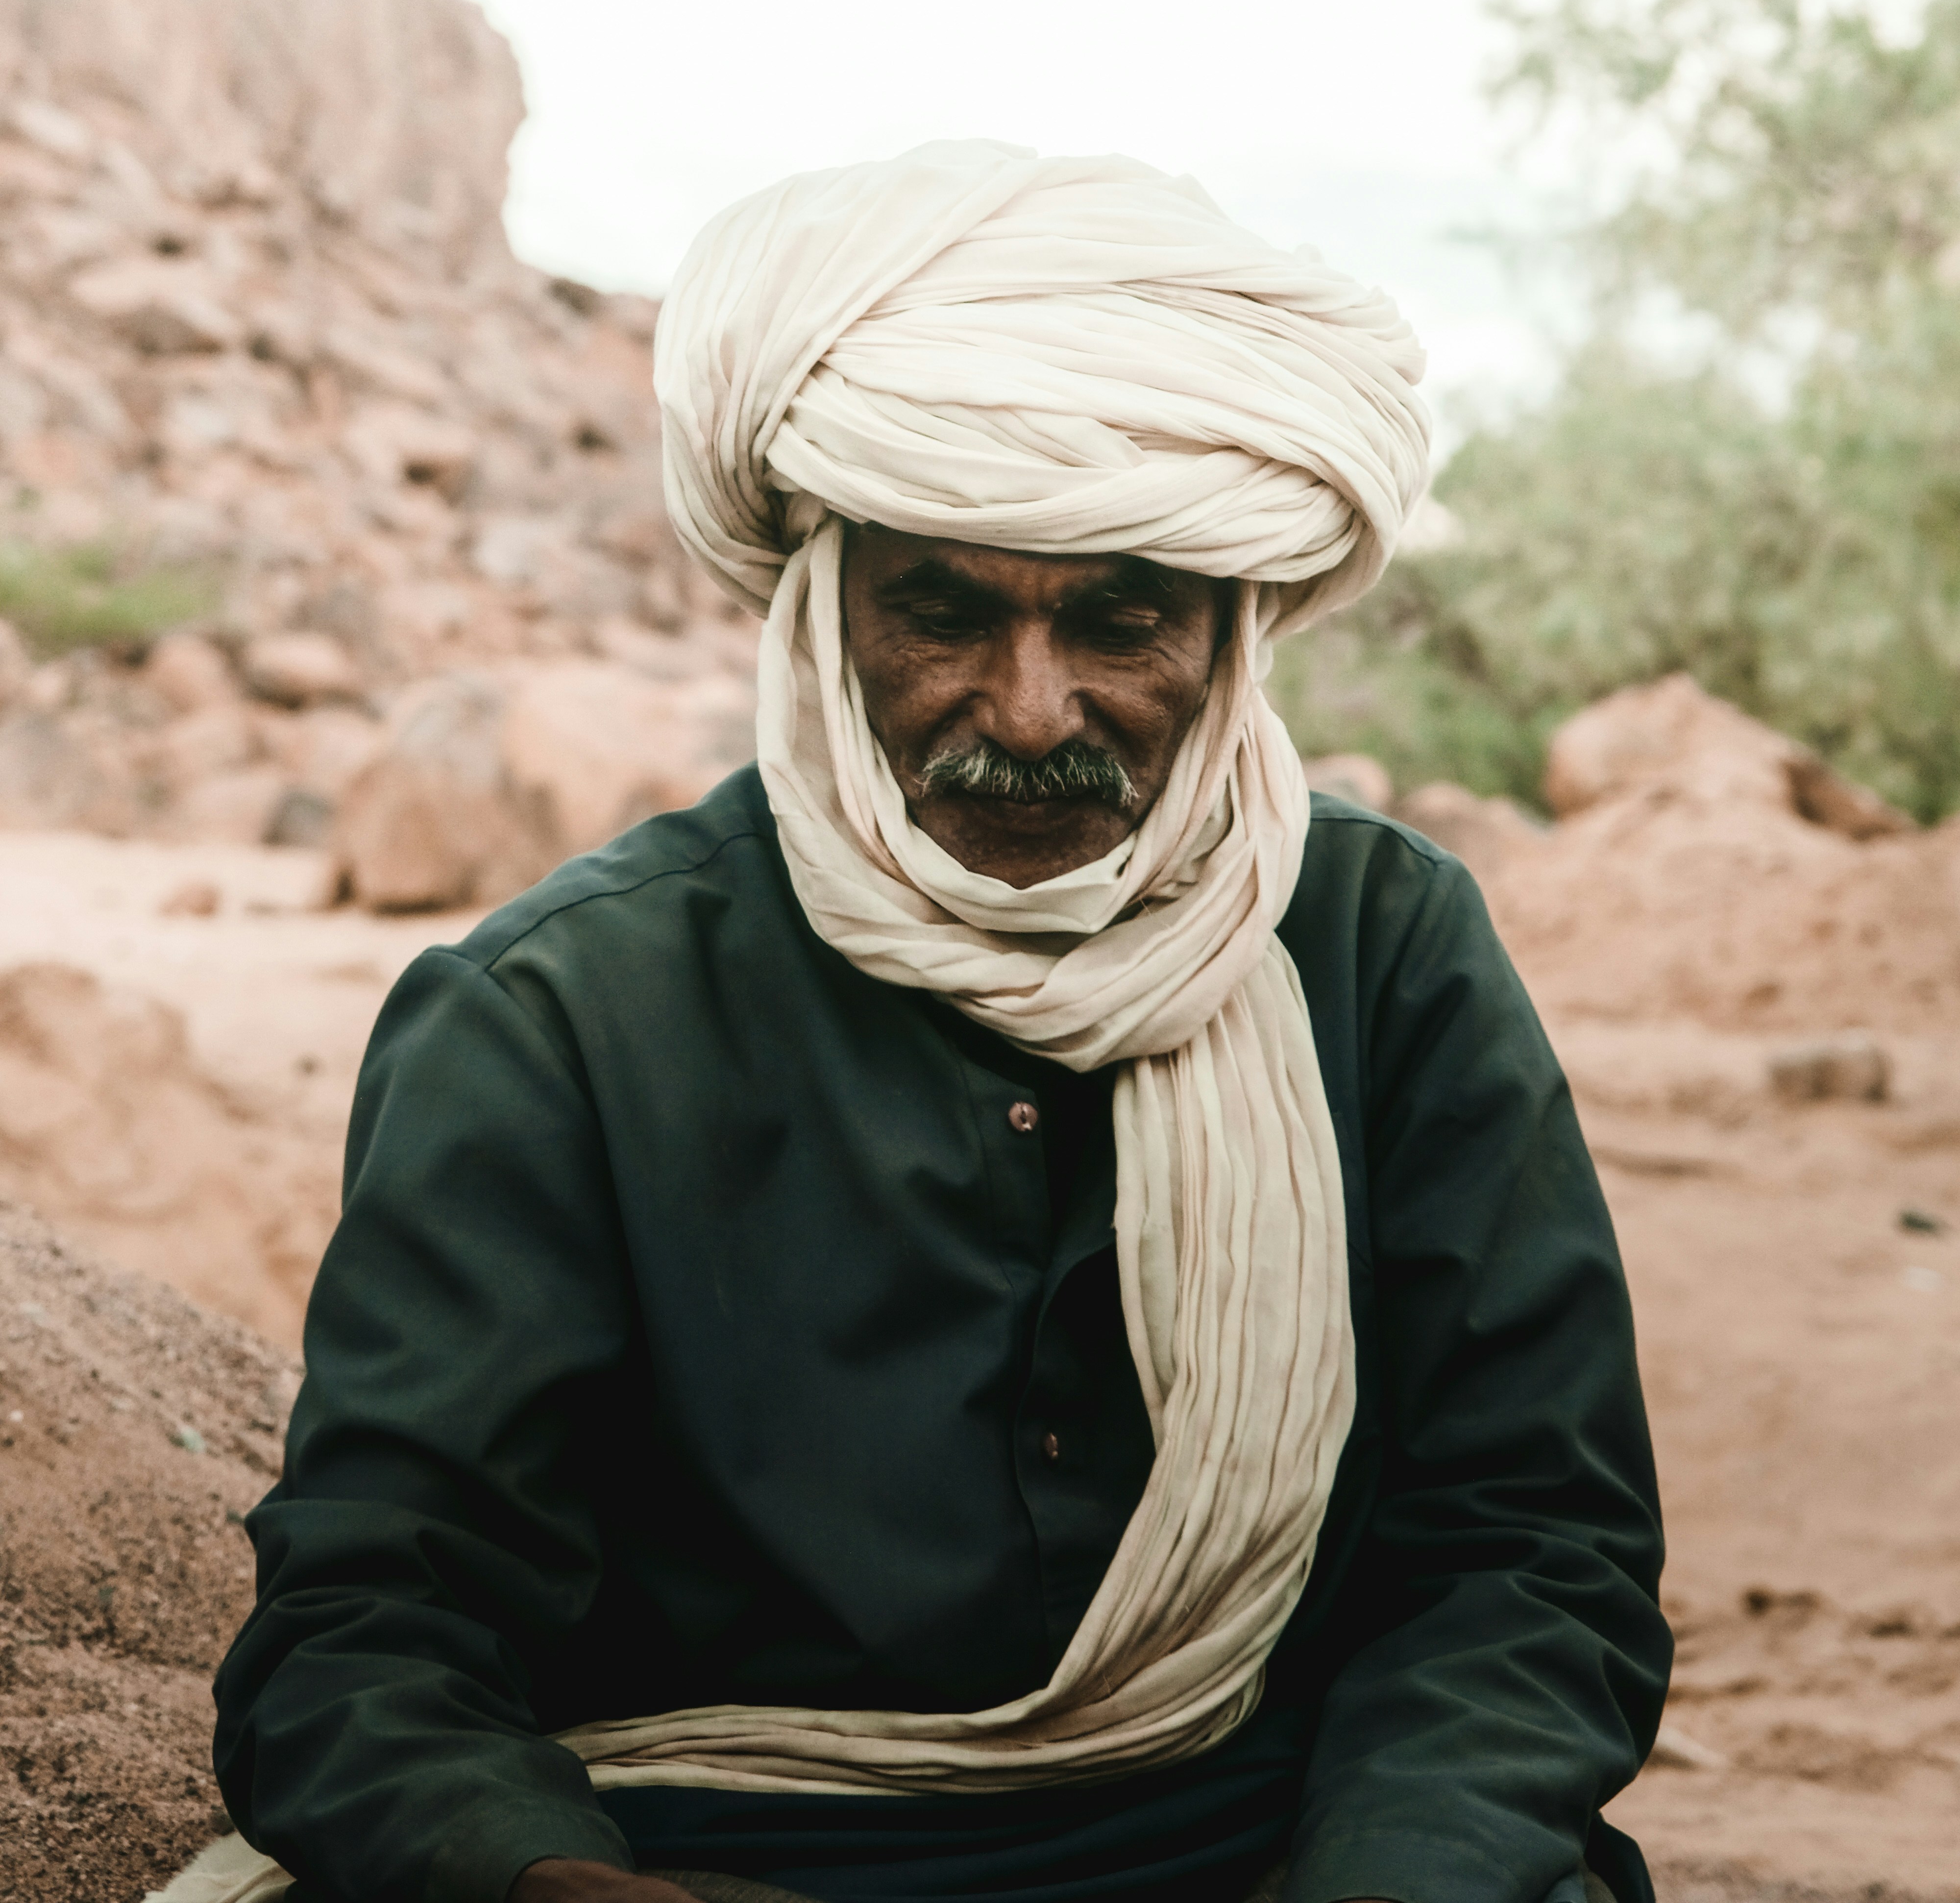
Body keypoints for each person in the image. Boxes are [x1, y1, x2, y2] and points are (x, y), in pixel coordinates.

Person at [181, 144, 1668, 1903]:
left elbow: (1531, 1558)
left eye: (1121, 616)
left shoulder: (1380, 949)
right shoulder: (560, 1015)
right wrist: (555, 1885)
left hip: (1278, 1842)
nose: (1033, 714)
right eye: (944, 612)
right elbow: (371, 1627)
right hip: (721, 1848)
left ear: (1235, 623)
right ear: (823, 613)